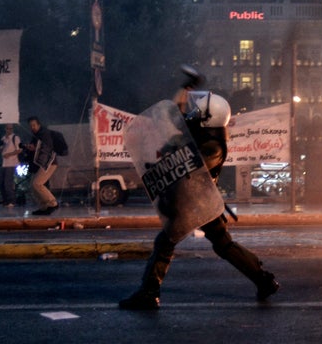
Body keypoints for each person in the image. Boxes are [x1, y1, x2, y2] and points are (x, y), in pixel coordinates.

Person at [119, 88, 279, 310]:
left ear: (209, 118)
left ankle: (149, 293)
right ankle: (264, 280)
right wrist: (179, 102)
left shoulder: (213, 146)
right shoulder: (203, 134)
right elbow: (181, 126)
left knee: (167, 242)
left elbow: (192, 165)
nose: (193, 115)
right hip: (195, 199)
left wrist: (175, 145)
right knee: (222, 245)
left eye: (199, 112)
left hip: (195, 201)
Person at [24, 116, 59, 215]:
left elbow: (46, 147)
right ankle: (44, 207)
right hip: (42, 164)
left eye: (34, 125)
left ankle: (53, 203)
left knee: (37, 184)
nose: (32, 127)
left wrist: (33, 148)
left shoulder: (44, 134)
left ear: (39, 125)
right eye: (30, 126)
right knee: (33, 185)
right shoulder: (36, 136)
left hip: (49, 163)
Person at [0, 124, 21, 207]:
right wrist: (1, 148)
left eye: (11, 128)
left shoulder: (15, 138)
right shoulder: (3, 138)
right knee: (0, 182)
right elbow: (1, 151)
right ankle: (6, 200)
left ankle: (12, 200)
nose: (9, 130)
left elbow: (19, 150)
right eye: (8, 128)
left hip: (11, 163)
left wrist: (9, 154)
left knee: (8, 183)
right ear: (5, 129)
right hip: (4, 163)